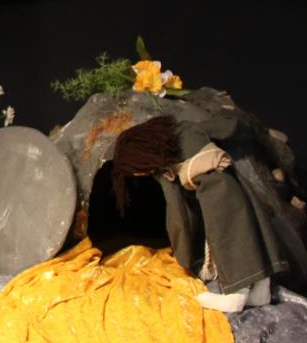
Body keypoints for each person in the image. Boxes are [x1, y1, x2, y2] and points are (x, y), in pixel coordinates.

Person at [110, 113, 287, 312]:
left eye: (138, 169)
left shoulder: (185, 142)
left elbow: (227, 130)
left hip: (222, 195)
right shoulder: (171, 152)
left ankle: (236, 296)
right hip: (223, 191)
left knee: (232, 238)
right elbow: (177, 210)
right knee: (251, 232)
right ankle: (261, 292)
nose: (140, 174)